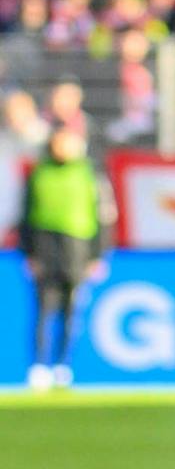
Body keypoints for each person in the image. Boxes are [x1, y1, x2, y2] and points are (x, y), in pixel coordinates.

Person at [19, 124, 113, 390]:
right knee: (43, 310)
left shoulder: (89, 174)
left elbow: (103, 217)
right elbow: (26, 215)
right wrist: (28, 252)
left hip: (76, 248)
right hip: (45, 247)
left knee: (71, 311)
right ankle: (39, 366)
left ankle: (62, 365)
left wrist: (97, 254)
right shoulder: (40, 173)